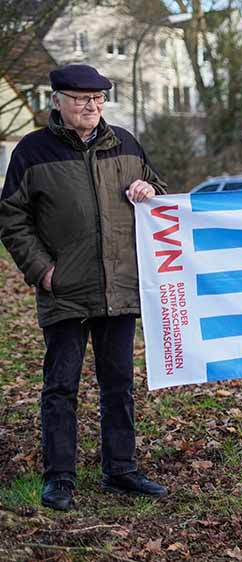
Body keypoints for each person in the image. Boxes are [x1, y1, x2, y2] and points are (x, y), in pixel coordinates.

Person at [0, 64, 168, 511]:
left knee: (119, 384)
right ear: (57, 101)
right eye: (80, 99)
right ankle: (59, 477)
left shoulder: (127, 143)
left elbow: (159, 191)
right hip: (65, 290)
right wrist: (42, 270)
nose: (91, 106)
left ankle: (121, 469)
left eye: (98, 99)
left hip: (119, 287)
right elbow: (11, 217)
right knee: (61, 386)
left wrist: (148, 186)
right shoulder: (32, 152)